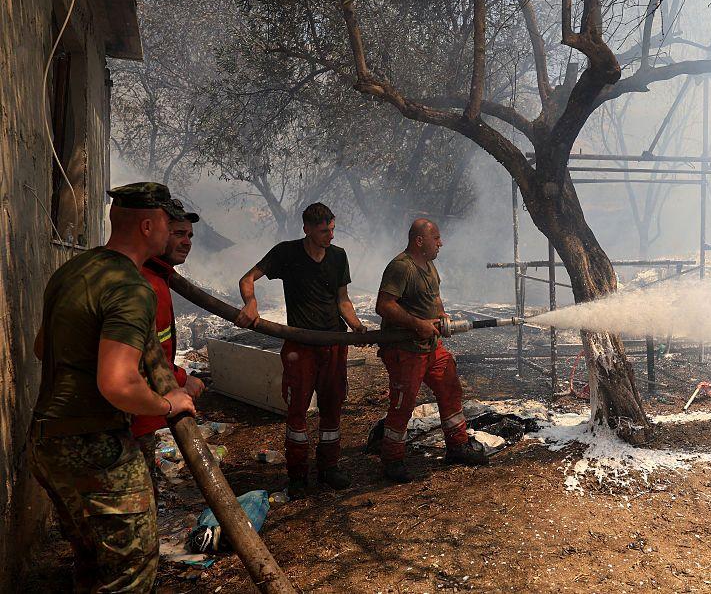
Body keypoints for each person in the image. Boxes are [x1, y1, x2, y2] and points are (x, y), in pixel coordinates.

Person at [29, 182, 197, 592]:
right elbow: (118, 383)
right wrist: (168, 403)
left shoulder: (74, 271)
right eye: (166, 222)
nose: (171, 230)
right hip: (94, 444)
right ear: (148, 225)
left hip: (48, 442)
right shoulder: (130, 286)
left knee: (93, 562)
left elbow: (40, 348)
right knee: (132, 572)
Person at [236, 202, 366, 496]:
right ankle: (297, 476)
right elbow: (247, 279)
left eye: (332, 229)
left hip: (333, 343)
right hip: (300, 346)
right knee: (297, 414)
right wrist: (251, 303)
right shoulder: (286, 253)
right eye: (324, 231)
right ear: (306, 229)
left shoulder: (338, 256)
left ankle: (329, 468)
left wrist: (356, 325)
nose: (330, 236)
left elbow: (342, 299)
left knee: (332, 407)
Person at [375, 218, 488, 483]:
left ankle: (457, 446)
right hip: (405, 350)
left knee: (450, 387)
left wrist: (442, 315)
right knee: (404, 403)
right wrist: (417, 324)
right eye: (436, 238)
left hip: (431, 346)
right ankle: (392, 459)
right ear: (419, 241)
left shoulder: (429, 265)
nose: (441, 243)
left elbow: (434, 295)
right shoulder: (401, 267)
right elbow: (384, 305)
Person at [131, 203, 206, 494]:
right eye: (177, 233)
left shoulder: (158, 278)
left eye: (189, 235)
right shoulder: (146, 283)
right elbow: (144, 356)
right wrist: (183, 379)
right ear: (155, 232)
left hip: (141, 414)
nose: (186, 242)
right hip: (132, 418)